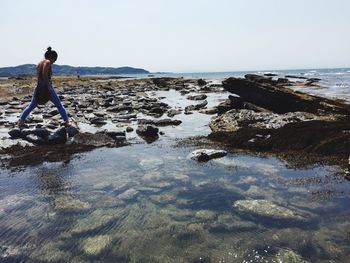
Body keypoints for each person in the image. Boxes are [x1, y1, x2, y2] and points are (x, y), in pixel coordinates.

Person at [17, 47, 71, 127]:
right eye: (55, 59)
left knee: (31, 105)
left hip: (38, 87)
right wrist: (48, 85)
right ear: (52, 57)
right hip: (46, 87)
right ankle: (67, 122)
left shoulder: (39, 63)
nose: (54, 61)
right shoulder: (47, 62)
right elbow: (44, 73)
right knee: (59, 105)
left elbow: (40, 75)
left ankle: (21, 121)